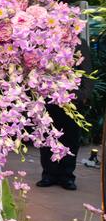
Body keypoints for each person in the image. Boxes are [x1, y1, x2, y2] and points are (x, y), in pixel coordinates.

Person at [36, 37, 93, 190]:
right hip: (49, 97)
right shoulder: (47, 40)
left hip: (72, 100)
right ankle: (48, 174)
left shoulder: (79, 43)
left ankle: (67, 176)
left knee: (71, 139)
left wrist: (84, 95)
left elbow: (86, 69)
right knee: (48, 137)